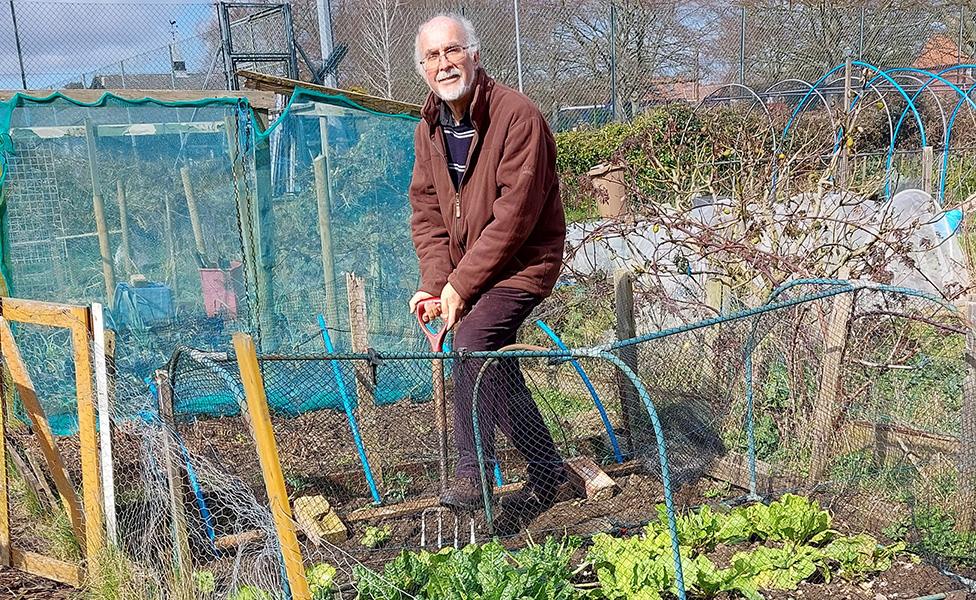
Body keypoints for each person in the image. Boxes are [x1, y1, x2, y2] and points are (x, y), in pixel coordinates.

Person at [407, 13, 567, 529]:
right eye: (432, 56)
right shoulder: (428, 130)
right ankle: (548, 473)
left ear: (474, 54)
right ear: (423, 69)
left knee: (472, 341)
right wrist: (436, 287)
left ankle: (474, 474)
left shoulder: (518, 117)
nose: (444, 63)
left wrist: (459, 286)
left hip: (522, 264)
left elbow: (513, 221)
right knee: (494, 366)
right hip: (469, 271)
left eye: (452, 50)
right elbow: (428, 215)